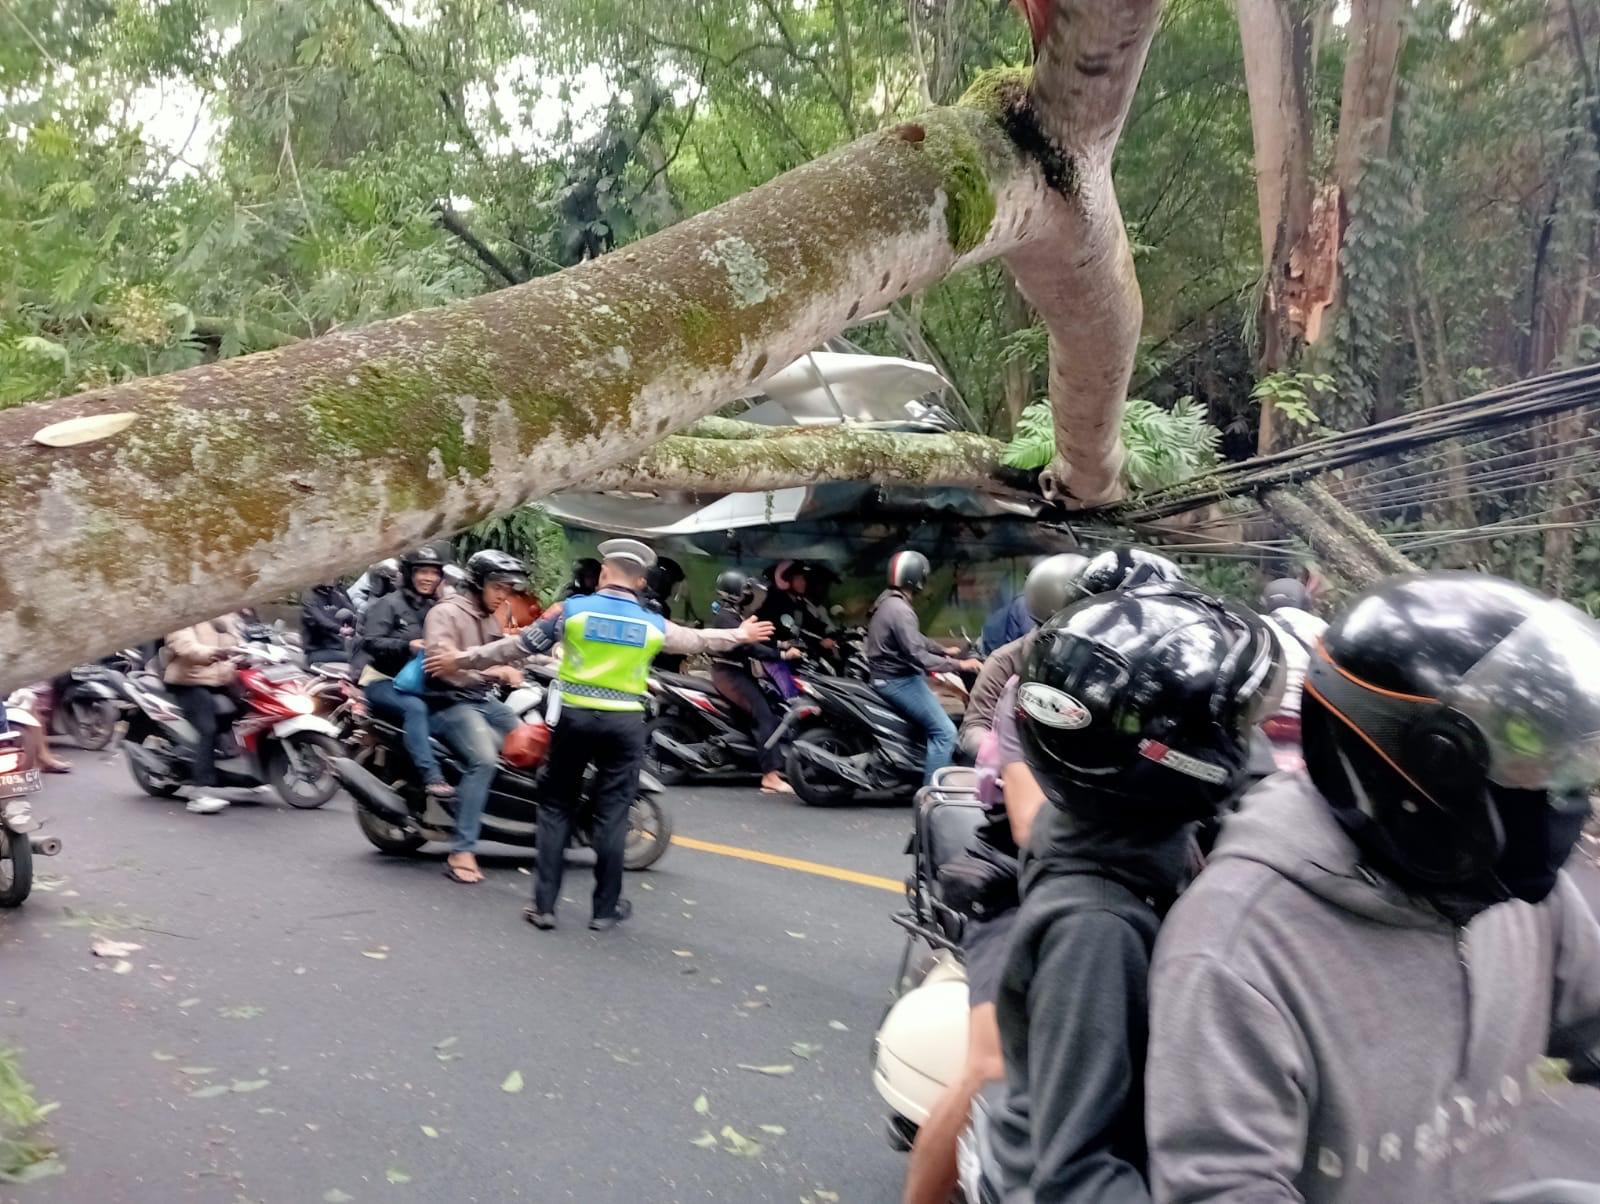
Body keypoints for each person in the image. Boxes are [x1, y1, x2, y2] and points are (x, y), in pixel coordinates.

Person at [1145, 573, 1600, 1204]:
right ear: (1422, 770)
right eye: (1522, 752)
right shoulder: (1234, 953)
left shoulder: (1517, 891)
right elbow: (1221, 1189)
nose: (1554, 794)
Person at [990, 586, 1281, 1203]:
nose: (1244, 737)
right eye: (1232, 724)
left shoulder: (1130, 825)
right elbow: (1076, 1171)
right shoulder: (1098, 930)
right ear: (1168, 755)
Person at [425, 539, 773, 931]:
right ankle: (604, 910)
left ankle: (543, 907)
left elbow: (516, 647)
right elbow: (699, 639)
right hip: (624, 726)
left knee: (556, 808)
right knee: (611, 814)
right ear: (641, 582)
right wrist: (740, 635)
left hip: (574, 720)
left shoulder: (570, 612)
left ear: (604, 573)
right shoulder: (651, 623)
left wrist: (461, 659)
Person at [422, 549, 529, 885]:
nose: (503, 595)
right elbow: (441, 668)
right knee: (483, 760)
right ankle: (462, 850)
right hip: (449, 704)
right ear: (477, 583)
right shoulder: (446, 613)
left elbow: (504, 654)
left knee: (531, 744)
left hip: (483, 702)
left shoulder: (491, 616)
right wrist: (495, 673)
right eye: (498, 586)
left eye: (508, 588)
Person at [866, 550, 980, 784]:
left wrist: (942, 649)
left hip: (889, 676)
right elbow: (918, 655)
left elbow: (915, 639)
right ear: (915, 577)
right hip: (898, 680)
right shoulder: (901, 610)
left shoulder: (888, 602)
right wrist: (960, 665)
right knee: (945, 732)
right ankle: (933, 793)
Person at [959, 553, 1088, 758]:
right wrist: (1012, 762)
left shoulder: (1099, 665)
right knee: (941, 730)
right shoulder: (1007, 662)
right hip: (1020, 773)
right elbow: (974, 727)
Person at [356, 544, 453, 799]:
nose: (429, 578)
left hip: (422, 682)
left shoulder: (435, 607)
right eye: (422, 571)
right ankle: (431, 775)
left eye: (434, 573)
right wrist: (406, 646)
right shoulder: (388, 604)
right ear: (409, 573)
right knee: (415, 708)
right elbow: (369, 641)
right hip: (384, 681)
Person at [708, 570, 802, 795]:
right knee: (765, 716)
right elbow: (748, 646)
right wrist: (781, 656)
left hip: (737, 672)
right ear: (734, 594)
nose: (750, 595)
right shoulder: (726, 618)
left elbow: (757, 639)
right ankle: (769, 776)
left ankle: (766, 763)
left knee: (764, 711)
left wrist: (780, 645)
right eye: (746, 591)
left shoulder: (734, 615)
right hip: (729, 674)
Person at [163, 613, 248, 814]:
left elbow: (238, 641)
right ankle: (200, 792)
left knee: (250, 711)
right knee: (207, 728)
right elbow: (186, 647)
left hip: (221, 680)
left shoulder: (226, 615)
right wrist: (213, 653)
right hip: (189, 681)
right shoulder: (182, 615)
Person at [301, 581, 355, 666]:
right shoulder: (309, 598)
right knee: (355, 658)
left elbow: (353, 612)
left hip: (339, 648)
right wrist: (341, 629)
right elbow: (321, 621)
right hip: (318, 651)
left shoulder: (335, 595)